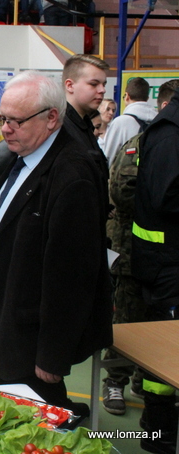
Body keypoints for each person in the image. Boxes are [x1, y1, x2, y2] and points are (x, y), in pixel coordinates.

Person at [0, 71, 112, 417]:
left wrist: (52, 355)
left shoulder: (71, 176)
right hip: (11, 317)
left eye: (16, 121)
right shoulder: (24, 156)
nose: (4, 129)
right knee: (23, 410)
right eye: (3, 118)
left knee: (36, 422)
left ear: (51, 118)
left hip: (32, 337)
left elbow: (72, 278)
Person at [102, 80, 179, 418]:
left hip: (163, 260)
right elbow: (120, 191)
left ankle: (144, 380)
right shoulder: (144, 142)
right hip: (130, 249)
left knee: (157, 330)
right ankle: (114, 381)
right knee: (128, 325)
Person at [131, 87, 179, 454]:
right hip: (166, 265)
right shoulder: (169, 134)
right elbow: (167, 195)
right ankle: (158, 430)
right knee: (166, 355)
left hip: (165, 259)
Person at [62, 54, 109, 177]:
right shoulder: (59, 128)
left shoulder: (85, 125)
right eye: (94, 84)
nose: (102, 90)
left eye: (104, 84)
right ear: (70, 85)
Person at [103, 77, 156, 166]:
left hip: (128, 178)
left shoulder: (121, 122)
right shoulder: (158, 119)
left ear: (127, 96)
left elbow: (108, 158)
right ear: (147, 98)